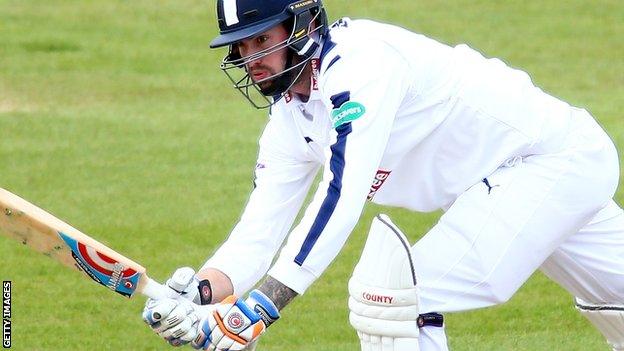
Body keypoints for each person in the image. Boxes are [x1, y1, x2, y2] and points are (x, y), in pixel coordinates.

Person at [142, 0, 624, 350]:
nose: (252, 60)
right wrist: (201, 292)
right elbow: (259, 229)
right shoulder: (291, 117)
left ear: (304, 22)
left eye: (262, 40)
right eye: (241, 47)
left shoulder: (360, 68)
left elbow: (341, 195)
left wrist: (263, 305)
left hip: (549, 162)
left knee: (393, 297)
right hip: (509, 181)